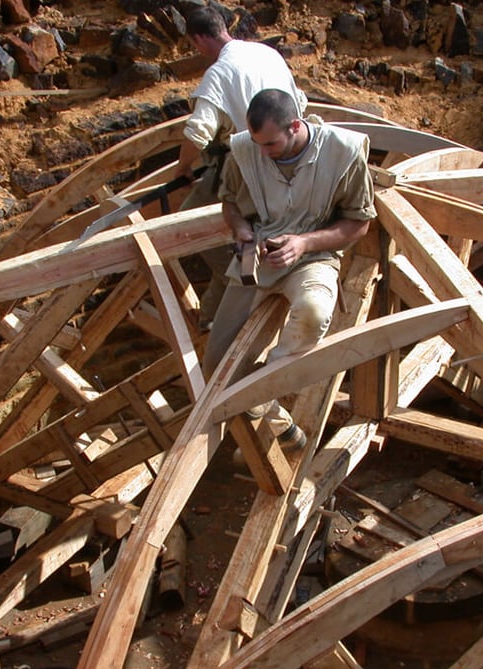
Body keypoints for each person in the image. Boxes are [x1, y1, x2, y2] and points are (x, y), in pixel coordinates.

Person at [202, 88, 376, 450]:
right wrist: (242, 229)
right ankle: (277, 418)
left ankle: (265, 382)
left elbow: (358, 224)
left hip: (313, 257)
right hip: (259, 257)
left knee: (313, 312)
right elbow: (230, 204)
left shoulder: (343, 153)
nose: (262, 152)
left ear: (295, 126)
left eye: (270, 144)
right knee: (216, 367)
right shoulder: (245, 150)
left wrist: (303, 243)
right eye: (257, 143)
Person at [176, 6, 308, 328]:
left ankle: (240, 280)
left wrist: (182, 168)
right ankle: (214, 314)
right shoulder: (267, 54)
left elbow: (198, 132)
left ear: (199, 38)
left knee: (187, 227)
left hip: (247, 165)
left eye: (195, 46)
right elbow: (299, 102)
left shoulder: (219, 73)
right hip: (289, 158)